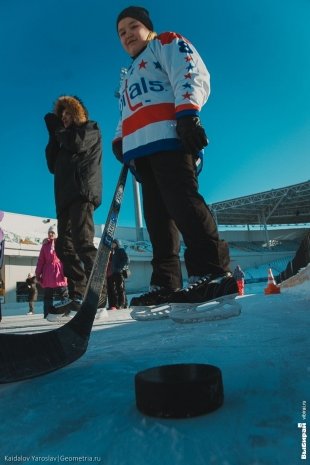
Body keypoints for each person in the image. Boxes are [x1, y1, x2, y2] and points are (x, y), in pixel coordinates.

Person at [113, 6, 238, 307]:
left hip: (171, 139)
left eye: (133, 26)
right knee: (157, 221)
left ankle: (213, 272)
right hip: (142, 151)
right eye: (122, 32)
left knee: (183, 203)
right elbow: (126, 111)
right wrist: (120, 141)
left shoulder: (164, 43)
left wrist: (187, 114)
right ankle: (166, 283)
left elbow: (190, 71)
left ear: (148, 27)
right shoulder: (129, 75)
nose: (128, 34)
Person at [44, 95, 102, 320]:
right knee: (63, 247)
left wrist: (60, 131)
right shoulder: (62, 139)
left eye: (69, 114)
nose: (65, 118)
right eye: (62, 115)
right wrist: (53, 135)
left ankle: (99, 294)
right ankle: (78, 294)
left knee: (82, 242)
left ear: (78, 114)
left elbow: (77, 143)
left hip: (82, 193)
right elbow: (52, 165)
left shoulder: (89, 129)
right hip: (64, 198)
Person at [35, 225, 69, 318]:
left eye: (52, 232)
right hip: (48, 274)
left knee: (64, 294)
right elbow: (41, 260)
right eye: (49, 232)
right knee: (48, 296)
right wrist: (38, 274)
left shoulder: (61, 244)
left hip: (59, 272)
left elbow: (66, 258)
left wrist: (68, 271)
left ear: (56, 234)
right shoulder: (45, 246)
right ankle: (47, 314)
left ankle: (66, 312)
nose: (50, 234)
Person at [106, 239, 129, 309]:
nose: (112, 245)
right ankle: (119, 304)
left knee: (121, 288)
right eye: (112, 243)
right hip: (114, 273)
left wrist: (119, 267)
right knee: (117, 289)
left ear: (117, 244)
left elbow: (126, 259)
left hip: (119, 272)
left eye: (114, 243)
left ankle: (123, 304)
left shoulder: (120, 250)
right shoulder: (114, 252)